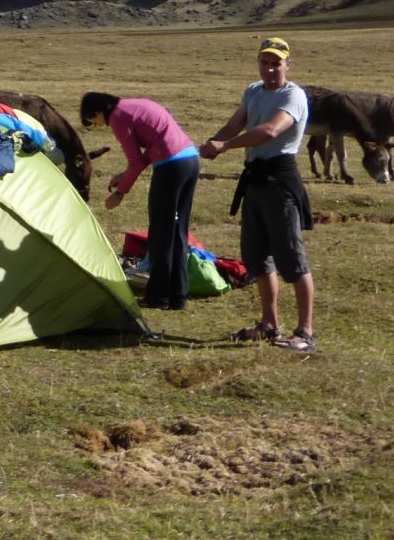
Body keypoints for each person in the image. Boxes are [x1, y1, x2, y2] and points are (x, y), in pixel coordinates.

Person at [200, 35, 316, 352]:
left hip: (280, 180)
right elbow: (233, 126)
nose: (269, 69)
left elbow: (270, 131)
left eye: (276, 63)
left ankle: (306, 333)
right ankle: (269, 324)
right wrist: (209, 145)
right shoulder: (253, 91)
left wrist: (224, 146)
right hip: (254, 180)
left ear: (287, 64)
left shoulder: (293, 95)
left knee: (292, 258)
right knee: (258, 256)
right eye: (264, 62)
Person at [80, 91, 200, 312]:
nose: (99, 126)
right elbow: (147, 153)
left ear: (98, 112)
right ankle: (178, 295)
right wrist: (124, 174)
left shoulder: (116, 117)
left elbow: (136, 162)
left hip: (170, 168)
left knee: (161, 233)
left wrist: (119, 194)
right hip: (190, 160)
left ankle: (159, 296)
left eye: (94, 122)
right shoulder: (135, 104)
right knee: (177, 230)